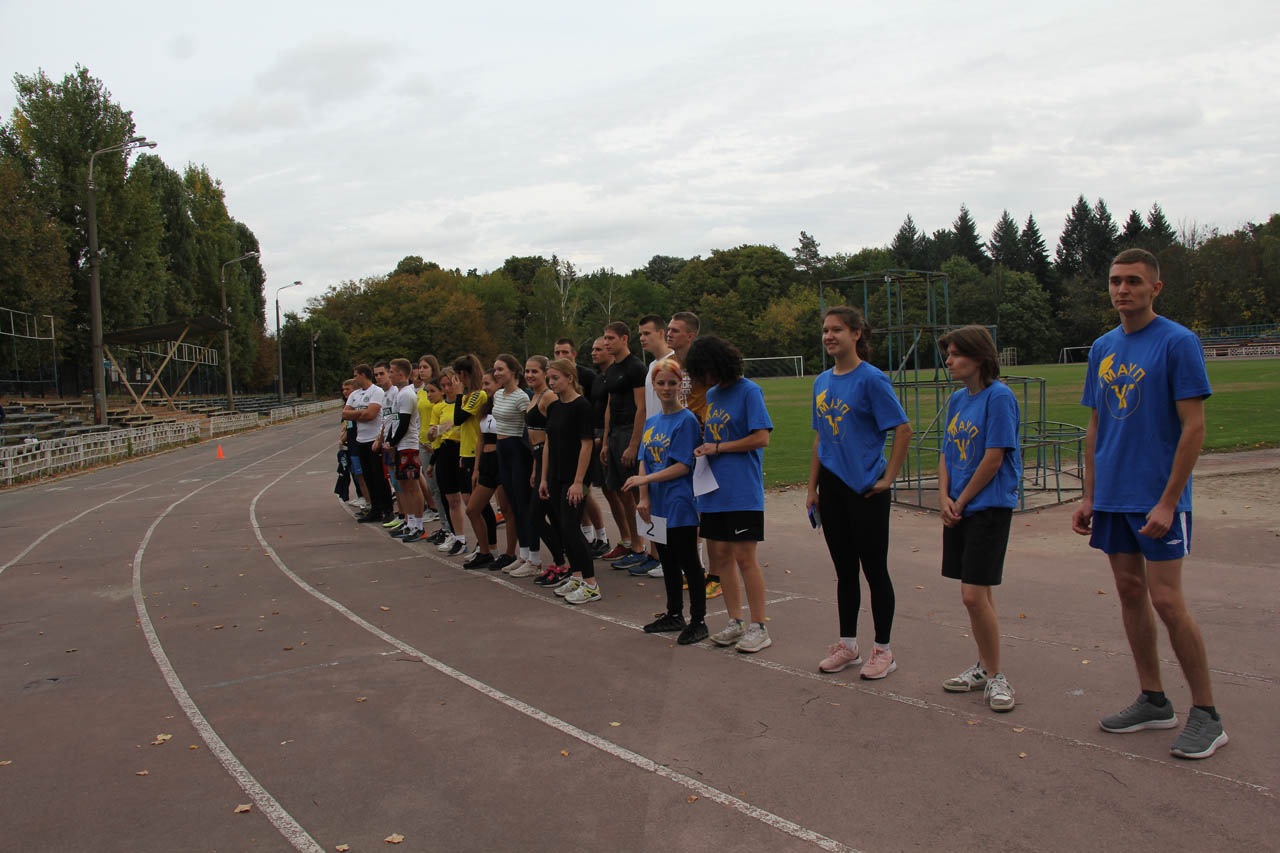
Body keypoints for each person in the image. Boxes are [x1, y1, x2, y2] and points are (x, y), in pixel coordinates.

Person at [1071, 248, 1226, 759]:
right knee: (1130, 591)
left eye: (1134, 281)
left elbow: (1194, 427)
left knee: (1167, 600)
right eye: (1116, 280)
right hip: (1114, 496)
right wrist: (1090, 494)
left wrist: (1169, 502)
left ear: (1155, 288)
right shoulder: (1103, 348)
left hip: (1157, 498)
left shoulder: (1177, 342)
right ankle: (1154, 700)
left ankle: (1207, 714)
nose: (1123, 289)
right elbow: (1096, 425)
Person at [807, 307, 912, 679]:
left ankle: (883, 649)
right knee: (844, 571)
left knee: (874, 569)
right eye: (825, 330)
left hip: (866, 487)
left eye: (837, 329)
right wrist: (812, 488)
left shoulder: (872, 379)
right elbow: (820, 437)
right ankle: (848, 645)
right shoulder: (821, 381)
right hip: (832, 487)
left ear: (856, 334)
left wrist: (888, 478)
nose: (829, 336)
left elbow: (903, 429)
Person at [937, 325, 1021, 713]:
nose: (949, 361)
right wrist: (944, 498)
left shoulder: (999, 397)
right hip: (959, 507)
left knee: (972, 595)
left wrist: (962, 499)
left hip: (988, 506)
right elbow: (946, 453)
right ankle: (985, 667)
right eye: (948, 354)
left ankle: (997, 674)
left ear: (980, 357)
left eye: (956, 354)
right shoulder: (957, 399)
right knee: (978, 595)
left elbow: (994, 457)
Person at [684, 335, 774, 653]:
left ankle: (759, 626)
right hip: (713, 490)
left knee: (745, 558)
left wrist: (719, 447)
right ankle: (735, 622)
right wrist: (704, 446)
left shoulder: (749, 391)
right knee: (719, 557)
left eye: (706, 370)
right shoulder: (712, 394)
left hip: (741, 490)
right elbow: (714, 435)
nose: (704, 378)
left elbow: (761, 438)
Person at [623, 358, 707, 644]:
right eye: (661, 383)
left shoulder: (686, 420)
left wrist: (644, 481)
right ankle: (674, 613)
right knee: (667, 560)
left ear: (680, 385)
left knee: (688, 561)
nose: (667, 388)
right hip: (657, 503)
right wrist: (644, 497)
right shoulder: (652, 422)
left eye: (672, 383)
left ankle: (698, 620)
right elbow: (644, 459)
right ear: (654, 386)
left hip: (679, 501)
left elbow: (683, 466)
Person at [667, 311, 719, 601]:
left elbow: (718, 396)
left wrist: (708, 426)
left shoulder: (704, 364)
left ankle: (716, 575)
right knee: (689, 504)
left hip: (704, 438)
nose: (669, 334)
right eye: (669, 329)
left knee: (707, 508)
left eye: (675, 330)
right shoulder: (671, 365)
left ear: (690, 335)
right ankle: (694, 568)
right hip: (682, 436)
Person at [540, 359, 601, 604]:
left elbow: (587, 445)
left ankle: (591, 583)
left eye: (555, 378)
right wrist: (544, 478)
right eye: (549, 378)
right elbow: (548, 443)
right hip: (556, 476)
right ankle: (576, 576)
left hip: (576, 478)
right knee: (563, 528)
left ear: (570, 378)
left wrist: (578, 482)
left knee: (571, 528)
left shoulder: (582, 406)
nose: (551, 382)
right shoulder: (554, 407)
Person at [554, 338, 610, 554]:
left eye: (565, 352)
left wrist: (598, 438)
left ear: (574, 354)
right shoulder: (556, 382)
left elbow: (598, 407)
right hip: (566, 448)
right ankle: (586, 535)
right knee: (577, 501)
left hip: (589, 441)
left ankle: (602, 536)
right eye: (557, 352)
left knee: (585, 493)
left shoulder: (587, 377)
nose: (561, 356)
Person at [600, 321, 648, 570]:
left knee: (638, 493)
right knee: (622, 492)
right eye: (605, 338)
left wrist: (633, 444)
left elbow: (642, 407)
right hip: (615, 435)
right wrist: (606, 441)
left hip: (631, 433)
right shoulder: (611, 370)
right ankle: (634, 544)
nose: (606, 342)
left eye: (610, 338)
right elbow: (609, 406)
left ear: (624, 339)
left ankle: (648, 549)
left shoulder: (636, 367)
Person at [516, 356, 567, 582]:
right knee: (550, 515)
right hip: (539, 457)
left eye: (534, 371)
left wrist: (545, 470)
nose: (529, 375)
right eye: (527, 371)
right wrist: (536, 469)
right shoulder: (534, 396)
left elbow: (554, 434)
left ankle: (562, 563)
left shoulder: (549, 397)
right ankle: (561, 562)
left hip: (551, 458)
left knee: (537, 515)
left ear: (545, 373)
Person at [491, 354, 535, 573]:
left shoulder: (521, 397)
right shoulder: (498, 394)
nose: (496, 373)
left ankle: (533, 558)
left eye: (500, 369)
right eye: (495, 370)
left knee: (523, 504)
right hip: (502, 450)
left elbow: (530, 430)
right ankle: (523, 554)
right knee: (512, 506)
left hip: (517, 450)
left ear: (513, 371)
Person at [342, 364, 392, 522]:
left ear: (363, 375)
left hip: (374, 440)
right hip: (360, 440)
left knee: (379, 477)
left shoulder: (376, 391)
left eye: (355, 375)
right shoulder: (354, 394)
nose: (354, 378)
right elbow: (345, 414)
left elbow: (371, 414)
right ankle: (375, 509)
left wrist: (356, 414)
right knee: (368, 477)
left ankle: (387, 509)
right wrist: (361, 413)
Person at [385, 358, 426, 542]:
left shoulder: (407, 394)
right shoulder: (399, 394)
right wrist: (390, 441)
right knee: (403, 485)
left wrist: (393, 442)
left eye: (391, 372)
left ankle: (418, 525)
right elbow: (394, 422)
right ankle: (410, 523)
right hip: (401, 445)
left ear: (401, 374)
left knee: (412, 486)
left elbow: (403, 424)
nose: (389, 375)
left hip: (408, 445)